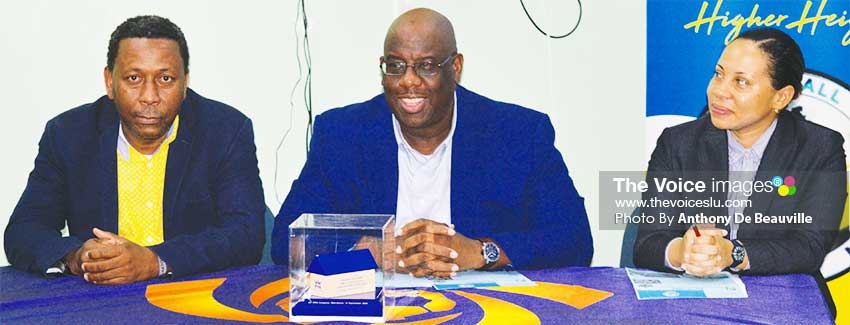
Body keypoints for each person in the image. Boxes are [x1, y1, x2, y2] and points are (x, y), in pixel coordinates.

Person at [272, 8, 592, 277]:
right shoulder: (342, 134)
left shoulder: (518, 133)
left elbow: (575, 238)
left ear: (455, 68)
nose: (409, 81)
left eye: (426, 66)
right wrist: (368, 253)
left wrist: (481, 251)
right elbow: (284, 240)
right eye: (396, 66)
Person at [4, 15, 265, 284]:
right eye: (133, 78)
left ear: (185, 82)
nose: (149, 96)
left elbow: (246, 234)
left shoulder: (226, 131)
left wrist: (156, 262)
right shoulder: (68, 135)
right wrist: (75, 257)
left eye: (165, 78)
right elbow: (24, 230)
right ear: (109, 81)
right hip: (100, 298)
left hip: (190, 292)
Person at [634, 28, 846, 277]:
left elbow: (809, 247)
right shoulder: (677, 143)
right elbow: (647, 244)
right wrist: (682, 251)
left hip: (781, 299)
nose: (719, 91)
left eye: (741, 82)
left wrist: (733, 254)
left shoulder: (820, 148)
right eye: (718, 75)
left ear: (781, 97)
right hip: (694, 295)